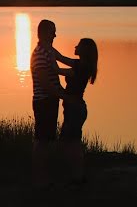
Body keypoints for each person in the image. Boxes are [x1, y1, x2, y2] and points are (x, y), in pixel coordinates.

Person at [55, 38, 99, 184]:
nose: (75, 46)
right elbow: (60, 58)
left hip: (75, 109)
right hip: (75, 108)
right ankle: (77, 176)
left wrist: (48, 58)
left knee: (69, 143)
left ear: (84, 50)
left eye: (78, 45)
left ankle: (77, 177)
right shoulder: (81, 65)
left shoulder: (81, 67)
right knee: (73, 143)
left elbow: (59, 68)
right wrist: (48, 50)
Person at [31, 19, 65, 187]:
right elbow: (45, 83)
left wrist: (80, 66)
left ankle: (44, 175)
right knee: (42, 139)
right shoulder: (40, 54)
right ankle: (39, 177)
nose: (55, 35)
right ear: (45, 33)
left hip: (50, 101)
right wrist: (65, 96)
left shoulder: (49, 51)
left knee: (46, 138)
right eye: (53, 32)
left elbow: (64, 60)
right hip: (43, 102)